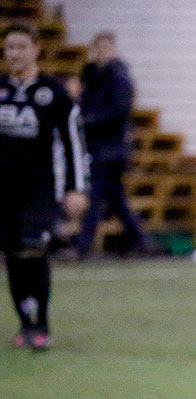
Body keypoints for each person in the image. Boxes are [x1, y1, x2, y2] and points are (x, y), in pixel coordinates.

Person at [1, 22, 88, 350]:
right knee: (13, 254)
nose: (15, 54)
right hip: (5, 191)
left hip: (40, 189)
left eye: (21, 46)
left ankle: (42, 325)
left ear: (36, 49)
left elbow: (73, 142)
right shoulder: (2, 90)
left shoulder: (54, 93)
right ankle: (25, 324)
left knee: (33, 250)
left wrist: (76, 188)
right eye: (9, 47)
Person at [74, 31, 143, 258]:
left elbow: (119, 110)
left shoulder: (119, 78)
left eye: (106, 48)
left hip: (113, 148)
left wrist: (89, 122)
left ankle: (82, 246)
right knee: (115, 198)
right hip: (99, 146)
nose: (102, 53)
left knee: (95, 195)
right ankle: (139, 239)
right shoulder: (93, 76)